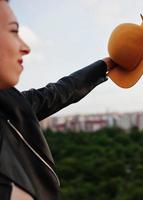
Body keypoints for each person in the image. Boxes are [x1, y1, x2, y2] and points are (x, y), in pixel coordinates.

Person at [0, 0, 118, 199]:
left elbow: (57, 93)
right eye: (13, 31)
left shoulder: (9, 104)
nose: (25, 47)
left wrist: (105, 65)